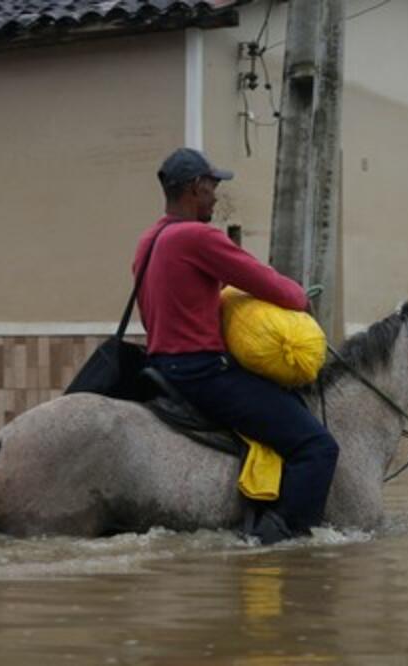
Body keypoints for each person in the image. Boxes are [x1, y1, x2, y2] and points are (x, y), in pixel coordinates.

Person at [134, 147, 339, 544]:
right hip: (202, 372)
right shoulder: (198, 237)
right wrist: (300, 297)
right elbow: (260, 278)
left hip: (158, 365)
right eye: (213, 187)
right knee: (317, 446)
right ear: (195, 188)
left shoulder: (149, 240)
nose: (216, 196)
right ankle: (278, 540)